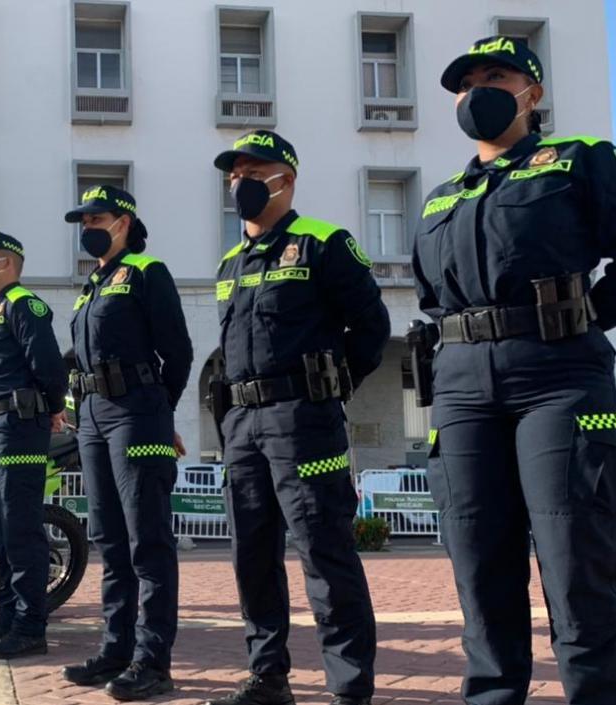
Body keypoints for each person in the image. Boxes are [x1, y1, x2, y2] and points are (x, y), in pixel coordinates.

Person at [411, 37, 616, 704]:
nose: (478, 92)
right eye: (466, 85)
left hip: (558, 377)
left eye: (496, 76)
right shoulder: (443, 196)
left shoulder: (579, 160)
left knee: (575, 564)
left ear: (533, 92)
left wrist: (580, 320)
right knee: (478, 567)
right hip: (463, 386)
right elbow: (433, 297)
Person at [205, 129, 389, 705]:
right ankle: (268, 676)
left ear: (286, 177)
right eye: (234, 175)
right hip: (242, 425)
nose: (241, 183)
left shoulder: (324, 242)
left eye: (254, 172)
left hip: (301, 420)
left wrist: (327, 388)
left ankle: (349, 686)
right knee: (252, 556)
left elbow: (372, 328)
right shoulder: (230, 262)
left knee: (322, 550)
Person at [59, 185, 193, 701]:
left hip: (137, 414)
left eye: (97, 219)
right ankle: (115, 649)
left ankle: (152, 660)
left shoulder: (146, 272)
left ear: (123, 222)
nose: (88, 228)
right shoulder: (92, 285)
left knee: (147, 543)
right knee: (110, 543)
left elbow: (177, 351)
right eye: (83, 221)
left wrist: (161, 412)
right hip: (92, 418)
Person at [0, 230, 68, 660]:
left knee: (22, 527)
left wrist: (55, 406)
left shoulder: (25, 303)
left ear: (7, 261)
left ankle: (30, 627)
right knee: (1, 530)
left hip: (18, 425)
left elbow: (48, 364)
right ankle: (8, 616)